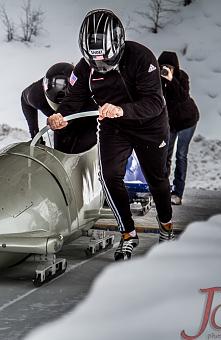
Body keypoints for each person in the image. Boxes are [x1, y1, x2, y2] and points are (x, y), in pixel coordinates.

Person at [47, 9, 174, 260]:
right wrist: (60, 117)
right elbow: (74, 99)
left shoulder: (142, 57)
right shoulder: (85, 68)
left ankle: (166, 225)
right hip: (113, 125)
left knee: (156, 179)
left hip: (149, 125)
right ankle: (128, 233)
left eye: (106, 61)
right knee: (109, 175)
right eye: (96, 63)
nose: (101, 67)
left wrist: (121, 110)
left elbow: (154, 102)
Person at [21, 62, 98, 154]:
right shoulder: (36, 95)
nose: (62, 109)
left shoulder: (91, 91)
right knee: (62, 156)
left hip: (89, 121)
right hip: (60, 125)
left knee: (85, 150)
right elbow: (25, 101)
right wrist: (35, 136)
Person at [158, 51, 199, 206]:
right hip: (170, 123)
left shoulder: (182, 77)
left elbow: (182, 97)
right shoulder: (157, 79)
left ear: (175, 68)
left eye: (169, 67)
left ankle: (177, 193)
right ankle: (162, 189)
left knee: (181, 155)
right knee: (165, 154)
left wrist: (171, 79)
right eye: (162, 66)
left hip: (187, 121)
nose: (165, 69)